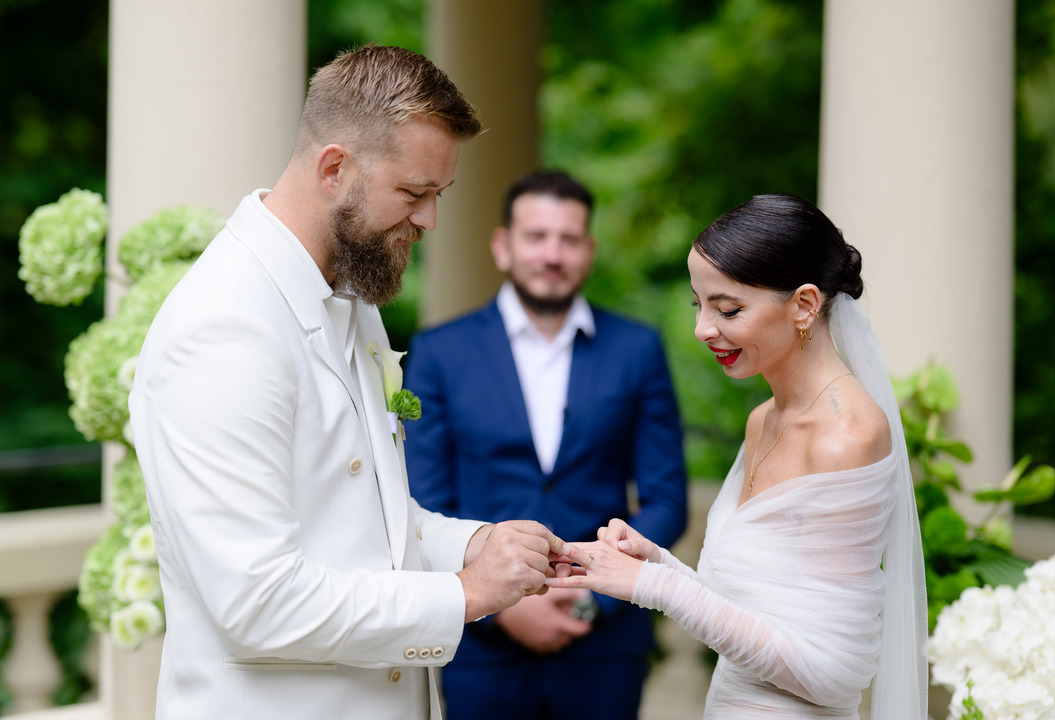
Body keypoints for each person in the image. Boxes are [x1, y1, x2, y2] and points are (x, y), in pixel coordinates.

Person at [128, 45, 569, 720]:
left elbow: (368, 521)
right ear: (335, 168)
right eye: (414, 193)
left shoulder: (351, 297)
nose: (428, 220)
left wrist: (479, 544)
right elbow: (259, 603)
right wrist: (466, 593)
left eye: (437, 196)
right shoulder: (224, 327)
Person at [549, 194, 928, 719]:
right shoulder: (762, 420)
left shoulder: (846, 438)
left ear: (804, 305)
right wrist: (656, 563)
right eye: (698, 305)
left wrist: (654, 588)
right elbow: (754, 611)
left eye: (728, 309)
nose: (703, 328)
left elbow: (833, 670)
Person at [402, 170, 688, 719]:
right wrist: (502, 601)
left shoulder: (637, 350)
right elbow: (424, 497)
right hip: (481, 643)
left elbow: (666, 498)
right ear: (503, 246)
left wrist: (590, 595)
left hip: (604, 647)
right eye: (536, 236)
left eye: (569, 239)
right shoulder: (440, 352)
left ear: (589, 251)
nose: (552, 254)